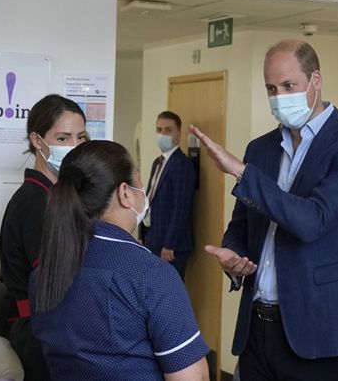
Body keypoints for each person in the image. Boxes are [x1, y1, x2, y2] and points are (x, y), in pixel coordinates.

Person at [189, 40, 338, 381]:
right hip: (256, 328)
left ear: (316, 80)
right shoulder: (261, 148)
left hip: (318, 331)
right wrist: (233, 256)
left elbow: (312, 221)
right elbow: (243, 223)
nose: (279, 97)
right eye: (271, 88)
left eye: (289, 85)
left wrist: (240, 171)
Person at [30, 140, 209, 381]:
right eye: (139, 181)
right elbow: (191, 378)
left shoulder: (43, 273)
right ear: (125, 193)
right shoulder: (152, 275)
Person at [0, 94, 88, 381]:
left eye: (80, 137)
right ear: (37, 140)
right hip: (36, 333)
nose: (74, 146)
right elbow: (55, 281)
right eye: (63, 138)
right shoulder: (35, 202)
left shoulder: (56, 197)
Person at [140, 111, 197, 279]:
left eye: (168, 130)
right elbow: (150, 199)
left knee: (168, 293)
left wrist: (169, 244)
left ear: (178, 134)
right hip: (153, 239)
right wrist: (143, 235)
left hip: (171, 246)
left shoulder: (182, 165)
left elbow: (181, 207)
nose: (162, 134)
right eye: (159, 130)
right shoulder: (157, 163)